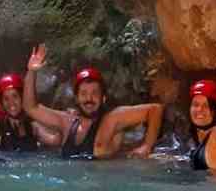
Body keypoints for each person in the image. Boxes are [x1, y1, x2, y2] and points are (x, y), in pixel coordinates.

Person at [22, 44, 164, 159]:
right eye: (83, 93)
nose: (89, 99)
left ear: (103, 98)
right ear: (76, 98)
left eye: (94, 93)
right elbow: (30, 108)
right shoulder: (67, 122)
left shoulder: (112, 119)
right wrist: (31, 71)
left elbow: (155, 109)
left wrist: (147, 146)